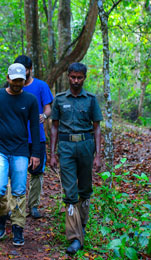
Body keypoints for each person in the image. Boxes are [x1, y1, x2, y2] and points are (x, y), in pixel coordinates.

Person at [0, 63, 40, 246]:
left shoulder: (30, 100)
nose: (17, 83)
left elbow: (35, 127)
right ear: (8, 78)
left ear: (24, 80)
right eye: (14, 80)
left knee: (19, 191)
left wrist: (35, 153)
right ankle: (2, 215)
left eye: (20, 80)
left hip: (21, 151)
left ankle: (18, 227)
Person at [49, 62, 103, 254]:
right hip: (66, 147)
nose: (76, 81)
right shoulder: (60, 99)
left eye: (79, 77)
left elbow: (97, 127)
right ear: (68, 76)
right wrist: (52, 153)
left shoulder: (90, 99)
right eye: (73, 77)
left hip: (86, 145)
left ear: (84, 78)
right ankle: (75, 238)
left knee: (85, 189)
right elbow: (54, 126)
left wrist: (98, 154)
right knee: (70, 191)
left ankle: (82, 225)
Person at [14, 55, 54, 218]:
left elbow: (48, 108)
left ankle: (34, 205)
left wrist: (44, 116)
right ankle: (16, 206)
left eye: (24, 70)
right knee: (16, 172)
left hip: (37, 137)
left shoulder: (41, 86)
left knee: (37, 172)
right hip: (17, 138)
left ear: (30, 70)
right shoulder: (14, 86)